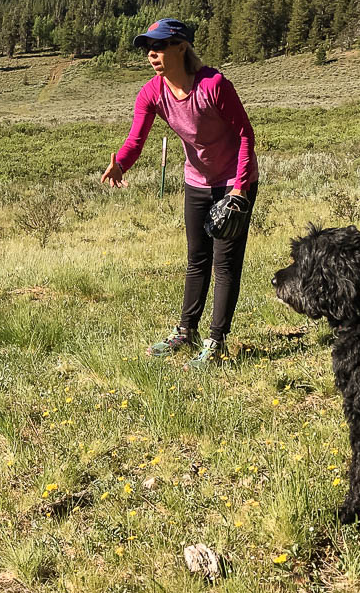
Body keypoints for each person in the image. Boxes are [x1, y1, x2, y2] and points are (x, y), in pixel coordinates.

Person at [101, 19, 258, 368]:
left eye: (158, 46)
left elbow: (246, 134)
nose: (151, 54)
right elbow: (136, 139)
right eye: (147, 48)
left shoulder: (214, 85)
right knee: (196, 259)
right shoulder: (151, 92)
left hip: (234, 183)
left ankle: (216, 341)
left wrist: (239, 190)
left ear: (181, 47)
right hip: (197, 182)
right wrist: (121, 165)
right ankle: (187, 331)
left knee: (225, 263)